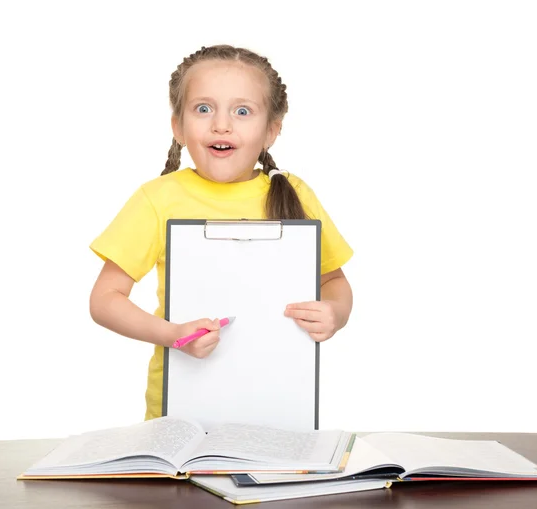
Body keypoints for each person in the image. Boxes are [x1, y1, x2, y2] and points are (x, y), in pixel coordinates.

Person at [89, 44, 354, 420]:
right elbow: (104, 300)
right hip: (179, 418)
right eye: (203, 108)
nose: (221, 124)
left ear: (272, 130)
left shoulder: (295, 193)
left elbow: (335, 282)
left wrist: (335, 314)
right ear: (178, 126)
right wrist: (174, 334)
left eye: (242, 111)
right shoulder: (157, 199)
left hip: (280, 409)